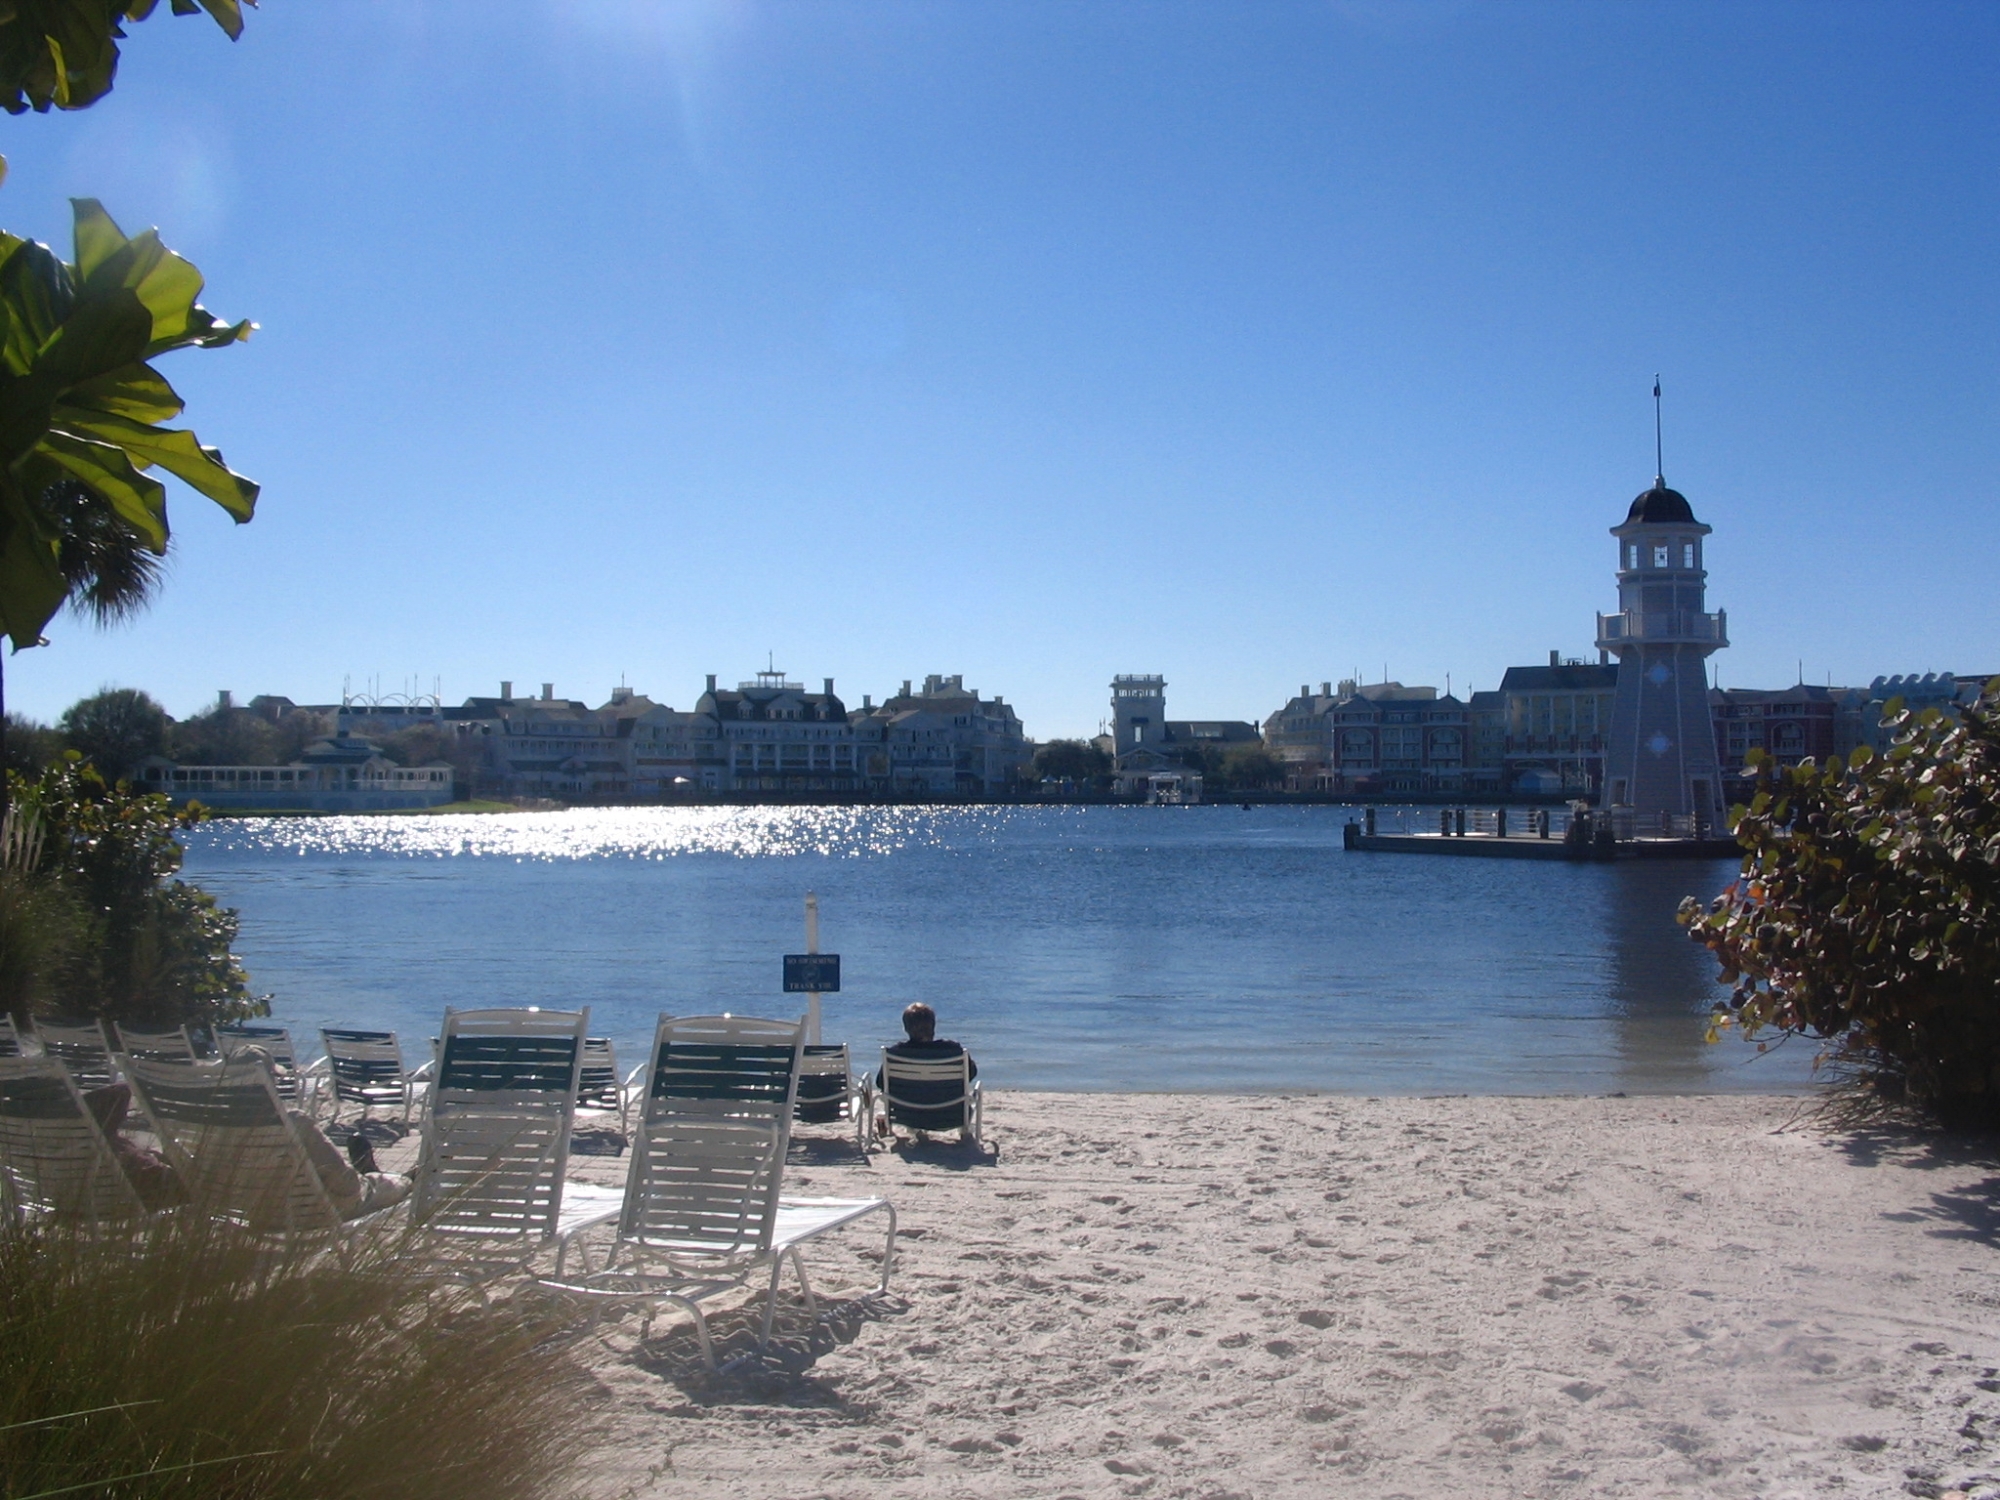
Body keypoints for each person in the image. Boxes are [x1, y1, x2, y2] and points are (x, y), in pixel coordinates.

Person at [876, 1003, 978, 1142]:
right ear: (933, 1026)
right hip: (950, 1116)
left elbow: (881, 1083)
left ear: (905, 1028)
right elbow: (971, 1074)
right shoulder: (953, 1051)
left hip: (907, 1115)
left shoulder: (895, 1054)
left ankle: (916, 1126)